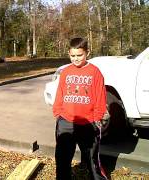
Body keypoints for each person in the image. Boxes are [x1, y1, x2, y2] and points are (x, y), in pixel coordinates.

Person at [52, 37, 108, 180]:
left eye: (79, 55)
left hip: (88, 123)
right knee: (62, 159)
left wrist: (97, 117)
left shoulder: (95, 72)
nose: (76, 59)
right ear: (69, 54)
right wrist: (57, 111)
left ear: (87, 53)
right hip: (66, 122)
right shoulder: (66, 72)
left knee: (92, 160)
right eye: (73, 56)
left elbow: (100, 97)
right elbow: (60, 92)